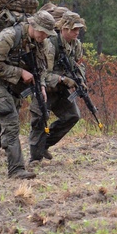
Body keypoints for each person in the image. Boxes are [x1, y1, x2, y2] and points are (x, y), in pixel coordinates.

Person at [0, 10, 57, 179]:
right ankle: (16, 169)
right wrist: (20, 72)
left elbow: (42, 68)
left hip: (16, 89)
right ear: (34, 25)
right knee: (11, 124)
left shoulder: (40, 43)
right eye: (42, 31)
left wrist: (42, 85)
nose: (44, 36)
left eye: (47, 33)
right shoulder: (9, 36)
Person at [29, 11, 86, 163]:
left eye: (78, 29)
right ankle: (35, 157)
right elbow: (43, 73)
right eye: (74, 29)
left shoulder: (76, 45)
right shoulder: (50, 43)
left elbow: (79, 65)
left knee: (73, 116)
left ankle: (44, 145)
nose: (77, 32)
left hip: (61, 89)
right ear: (64, 28)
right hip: (45, 87)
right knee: (40, 118)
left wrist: (80, 80)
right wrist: (62, 79)